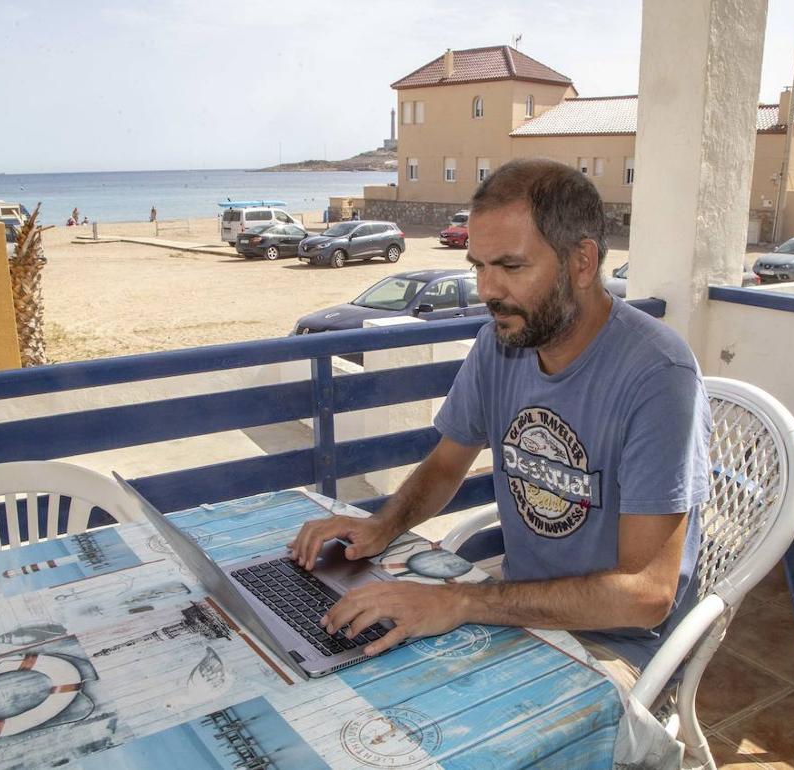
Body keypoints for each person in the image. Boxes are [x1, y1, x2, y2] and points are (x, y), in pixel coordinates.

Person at [289, 158, 711, 689]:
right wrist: (381, 526)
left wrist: (463, 600)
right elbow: (445, 465)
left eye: (510, 267)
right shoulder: (503, 340)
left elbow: (646, 594)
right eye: (478, 267)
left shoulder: (656, 375)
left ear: (582, 262)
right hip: (519, 612)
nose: (487, 291)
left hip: (616, 645)